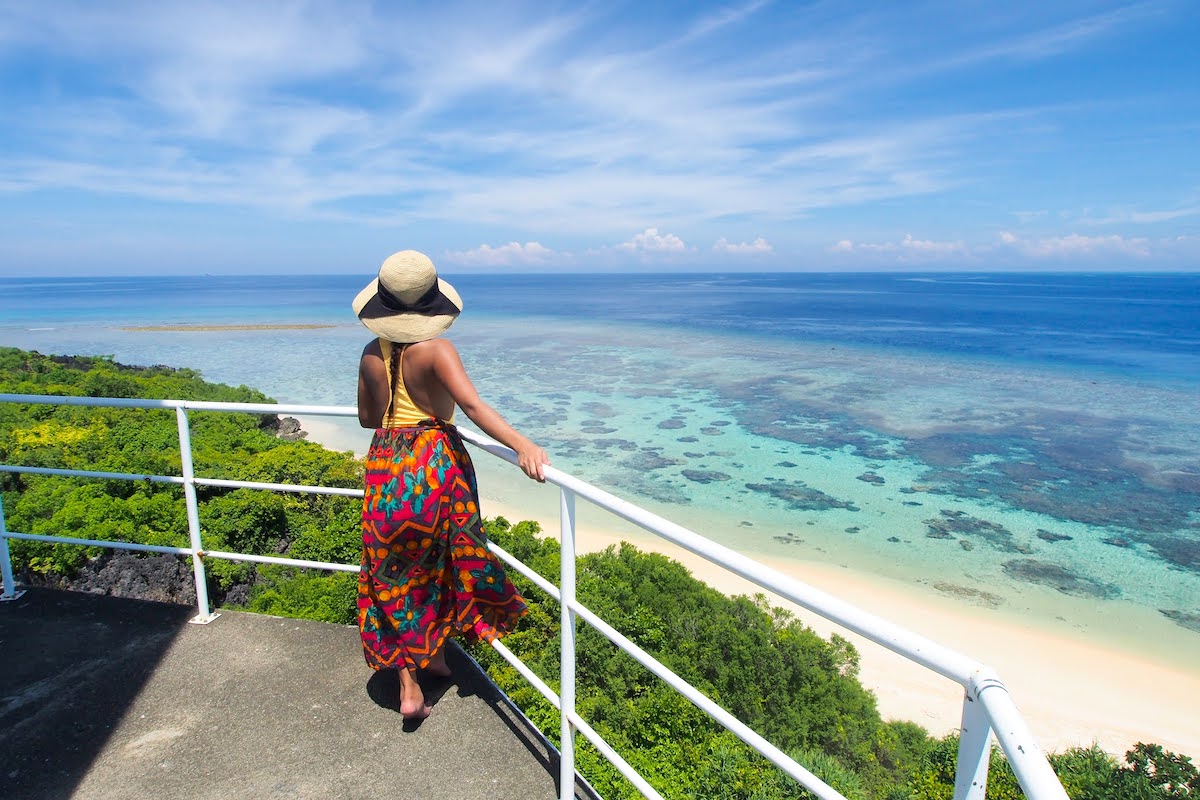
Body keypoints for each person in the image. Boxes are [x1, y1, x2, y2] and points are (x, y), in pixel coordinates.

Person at [352, 250, 549, 720]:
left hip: (387, 467)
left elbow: (367, 419)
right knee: (443, 561)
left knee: (389, 575)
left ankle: (411, 684)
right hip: (434, 468)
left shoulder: (370, 353)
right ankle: (437, 656)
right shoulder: (438, 350)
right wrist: (522, 444)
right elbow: (475, 409)